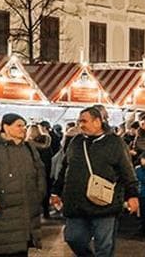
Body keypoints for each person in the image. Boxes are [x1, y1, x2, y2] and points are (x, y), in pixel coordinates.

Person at [51, 105, 139, 257]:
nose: (81, 125)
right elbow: (65, 167)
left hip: (105, 204)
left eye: (84, 121)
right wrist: (56, 191)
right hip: (76, 202)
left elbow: (127, 171)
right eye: (79, 121)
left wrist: (132, 195)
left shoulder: (116, 143)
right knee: (73, 238)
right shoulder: (76, 141)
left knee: (104, 246)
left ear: (97, 121)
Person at [0, 113, 46, 255]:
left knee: (21, 248)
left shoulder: (29, 148)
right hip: (2, 209)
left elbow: (40, 171)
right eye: (19, 125)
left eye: (24, 126)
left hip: (26, 208)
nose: (23, 129)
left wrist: (39, 193)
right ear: (6, 127)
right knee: (2, 248)